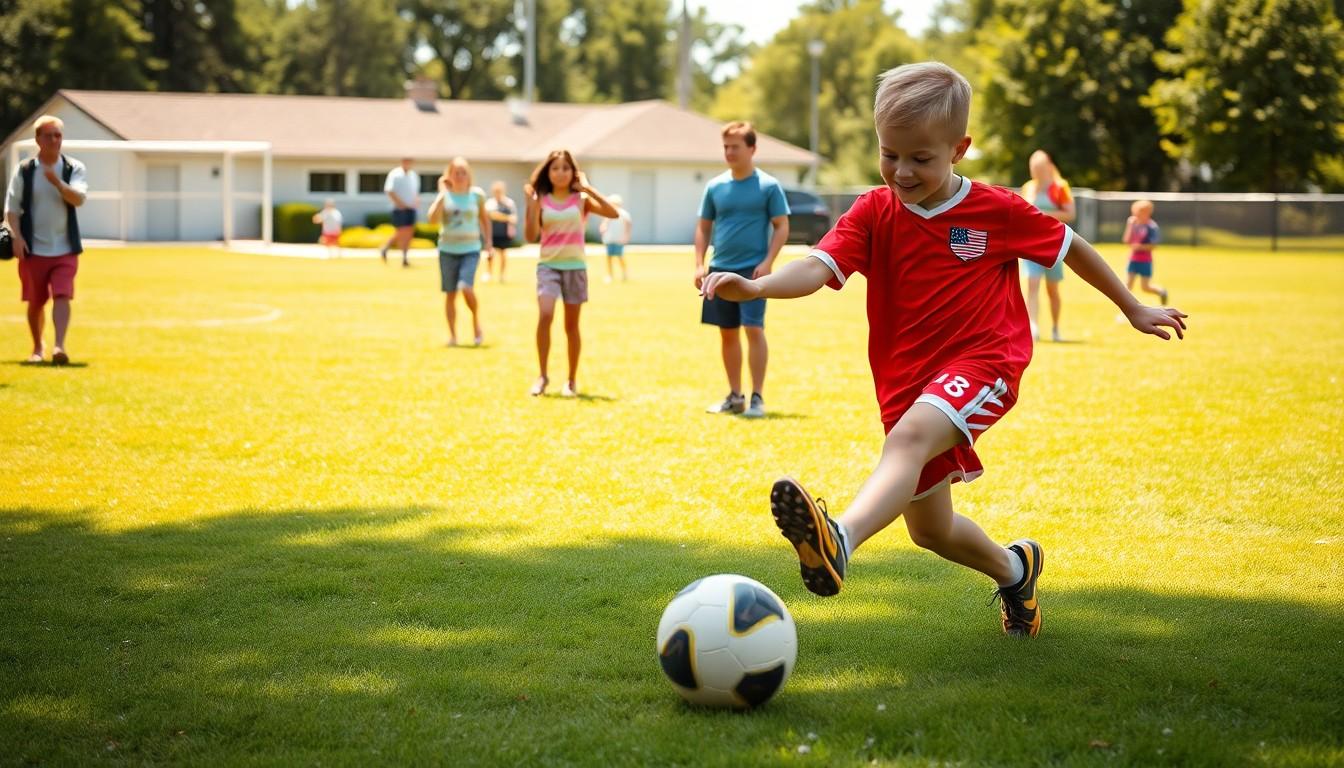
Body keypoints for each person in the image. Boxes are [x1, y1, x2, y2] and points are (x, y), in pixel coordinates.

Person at [700, 62, 1187, 638]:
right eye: (889, 155)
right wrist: (757, 286)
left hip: (987, 362)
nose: (901, 172)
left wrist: (1131, 305)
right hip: (905, 382)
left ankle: (840, 540)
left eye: (920, 159)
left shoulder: (995, 210)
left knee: (907, 442)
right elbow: (816, 267)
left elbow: (1069, 245)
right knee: (929, 529)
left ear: (959, 148)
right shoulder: (874, 211)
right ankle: (1016, 571)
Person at [694, 121, 790, 419]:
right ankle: (735, 397)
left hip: (752, 271)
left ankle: (757, 398)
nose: (729, 152)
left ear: (752, 149)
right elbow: (703, 227)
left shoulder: (768, 186)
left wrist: (767, 262)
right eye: (725, 147)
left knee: (753, 329)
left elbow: (782, 226)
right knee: (727, 333)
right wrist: (699, 263)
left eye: (735, 146)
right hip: (719, 269)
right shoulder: (715, 186)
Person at [521, 150, 619, 397]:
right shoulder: (540, 198)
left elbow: (612, 213)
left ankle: (571, 381)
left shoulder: (581, 200)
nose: (560, 173)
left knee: (571, 326)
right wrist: (532, 206)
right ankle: (542, 376)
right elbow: (530, 235)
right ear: (548, 172)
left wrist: (587, 188)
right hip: (548, 267)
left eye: (566, 168)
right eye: (555, 168)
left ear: (573, 172)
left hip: (575, 268)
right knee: (545, 315)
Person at [4, 116, 88, 365]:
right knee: (36, 302)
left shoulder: (74, 168)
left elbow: (79, 199)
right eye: (49, 135)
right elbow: (11, 209)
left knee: (63, 295)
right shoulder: (25, 170)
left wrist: (58, 183)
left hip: (65, 249)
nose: (54, 140)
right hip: (33, 250)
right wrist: (17, 237)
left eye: (58, 135)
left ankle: (59, 346)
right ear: (38, 139)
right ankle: (37, 347)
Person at [427, 157, 490, 346]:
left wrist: (489, 243)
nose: (460, 176)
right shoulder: (444, 196)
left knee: (466, 287)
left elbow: (485, 219)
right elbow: (431, 220)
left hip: (470, 249)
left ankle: (476, 322)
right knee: (451, 294)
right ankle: (453, 336)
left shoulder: (476, 195)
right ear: (449, 176)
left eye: (463, 173)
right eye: (456, 173)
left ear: (469, 175)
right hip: (447, 250)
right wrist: (441, 194)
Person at [1018, 150, 1076, 342]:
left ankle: (1056, 327)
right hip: (1031, 245)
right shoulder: (1028, 187)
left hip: (1053, 245)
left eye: (1039, 168)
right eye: (1033, 169)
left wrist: (1043, 214)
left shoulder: (1060, 187)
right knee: (1032, 284)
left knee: (1052, 290)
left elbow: (1070, 214)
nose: (1036, 172)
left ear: (1048, 167)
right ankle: (1033, 326)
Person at [1123, 199, 1167, 304]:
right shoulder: (1134, 224)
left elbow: (1153, 245)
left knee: (1145, 287)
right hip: (1133, 259)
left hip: (1145, 261)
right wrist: (1129, 226)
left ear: (1146, 212)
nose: (1135, 214)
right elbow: (1126, 241)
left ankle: (1162, 292)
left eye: (1137, 212)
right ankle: (1126, 309)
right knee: (1127, 286)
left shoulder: (1152, 227)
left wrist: (1140, 247)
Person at [380, 158, 419, 267]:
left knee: (409, 233)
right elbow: (389, 190)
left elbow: (415, 192)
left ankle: (405, 257)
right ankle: (386, 248)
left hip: (411, 208)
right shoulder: (395, 174)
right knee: (401, 232)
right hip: (399, 209)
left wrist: (416, 201)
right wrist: (400, 204)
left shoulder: (413, 175)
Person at [484, 181, 517, 283]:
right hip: (491, 233)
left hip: (504, 233)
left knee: (503, 254)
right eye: (496, 191)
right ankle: (489, 273)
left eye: (499, 191)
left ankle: (502, 275)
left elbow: (513, 219)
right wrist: (505, 217)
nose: (497, 192)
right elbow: (490, 215)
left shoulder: (509, 203)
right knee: (490, 254)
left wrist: (499, 216)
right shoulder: (490, 203)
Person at [599, 193, 632, 283]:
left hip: (619, 239)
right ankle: (609, 275)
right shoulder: (608, 213)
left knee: (619, 256)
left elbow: (628, 226)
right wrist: (603, 229)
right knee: (609, 257)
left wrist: (626, 237)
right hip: (609, 238)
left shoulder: (624, 214)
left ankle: (625, 273)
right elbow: (604, 224)